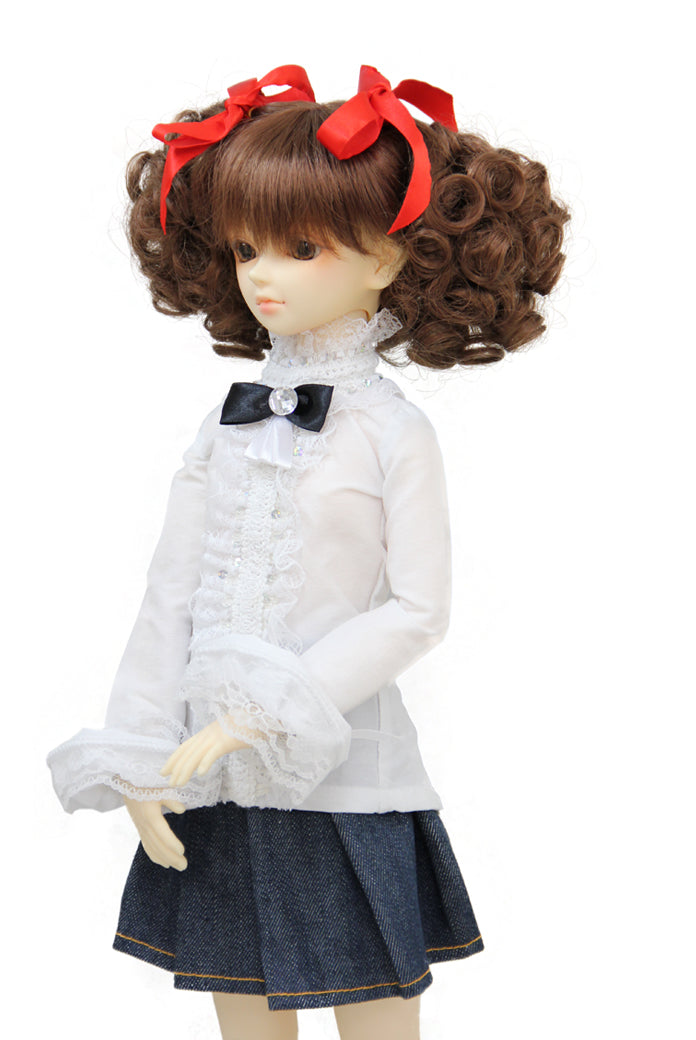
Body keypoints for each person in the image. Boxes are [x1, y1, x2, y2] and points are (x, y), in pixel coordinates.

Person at [47, 65, 569, 1040]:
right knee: (242, 1016)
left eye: (300, 247)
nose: (263, 274)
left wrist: (262, 712)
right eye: (247, 246)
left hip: (345, 778)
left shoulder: (392, 431)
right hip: (211, 781)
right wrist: (140, 753)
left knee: (376, 1013)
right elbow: (170, 594)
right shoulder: (225, 424)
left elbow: (418, 608)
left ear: (389, 254)